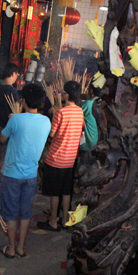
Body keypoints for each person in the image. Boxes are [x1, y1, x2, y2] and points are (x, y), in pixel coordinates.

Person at [0, 84, 51, 258]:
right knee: (26, 212)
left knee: (12, 213)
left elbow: (2, 138)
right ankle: (21, 247)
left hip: (12, 174)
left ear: (23, 100)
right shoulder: (46, 121)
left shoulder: (16, 119)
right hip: (31, 175)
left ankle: (11, 248)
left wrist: (12, 118)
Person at [37, 81, 85, 232]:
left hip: (56, 158)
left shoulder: (61, 112)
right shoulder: (80, 112)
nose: (62, 95)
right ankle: (64, 220)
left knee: (54, 192)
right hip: (70, 159)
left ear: (68, 95)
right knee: (66, 191)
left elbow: (52, 134)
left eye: (64, 92)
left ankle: (53, 221)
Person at [0, 63, 19, 179]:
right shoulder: (12, 91)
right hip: (8, 126)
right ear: (13, 74)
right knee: (4, 154)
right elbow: (16, 112)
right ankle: (0, 181)